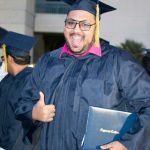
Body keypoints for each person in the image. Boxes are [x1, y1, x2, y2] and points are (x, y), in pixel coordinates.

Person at [15, 0, 150, 150]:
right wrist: (33, 113)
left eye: (85, 24)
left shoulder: (120, 62)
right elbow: (23, 102)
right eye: (71, 23)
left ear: (96, 27)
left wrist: (128, 143)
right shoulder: (48, 61)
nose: (76, 30)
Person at [0, 27, 38, 150]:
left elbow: (23, 124)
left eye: (3, 58)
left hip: (17, 146)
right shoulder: (7, 79)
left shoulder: (33, 82)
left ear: (9, 59)